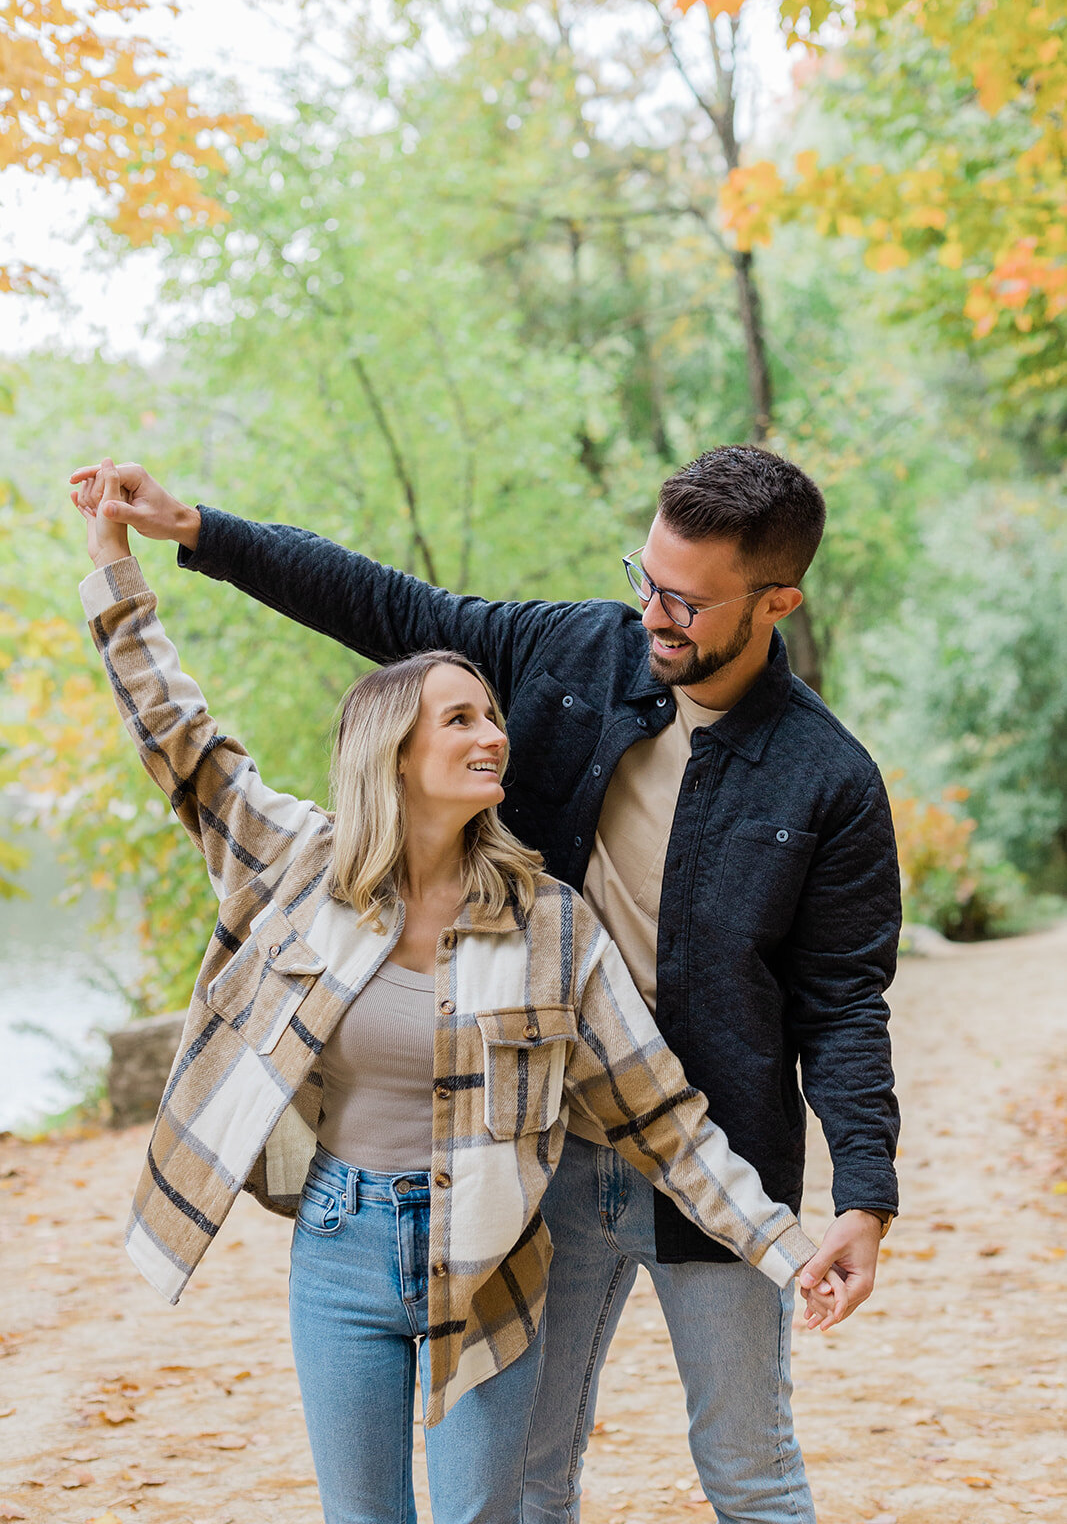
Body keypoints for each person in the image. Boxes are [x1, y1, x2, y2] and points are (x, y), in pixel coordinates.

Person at [72, 445, 900, 1524]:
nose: (651, 611)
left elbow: (840, 1002)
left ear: (774, 599)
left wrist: (859, 1197)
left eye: (684, 600)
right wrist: (196, 531)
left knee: (747, 1468)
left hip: (705, 1144)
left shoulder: (820, 780)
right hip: (525, 1152)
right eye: (641, 577)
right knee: (521, 1482)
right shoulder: (565, 657)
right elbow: (373, 607)